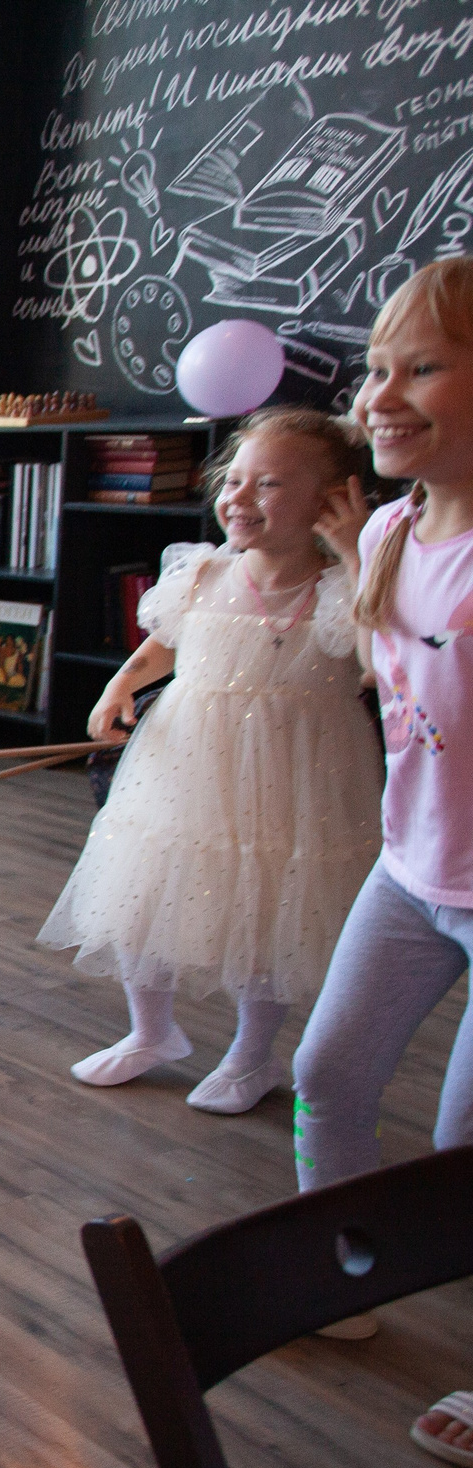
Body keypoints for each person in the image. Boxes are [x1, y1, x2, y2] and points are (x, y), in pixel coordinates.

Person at [38, 411, 380, 1113]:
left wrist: (356, 557)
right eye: (236, 480)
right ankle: (151, 1030)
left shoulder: (347, 588)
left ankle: (252, 1055)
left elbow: (379, 665)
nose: (240, 497)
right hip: (188, 761)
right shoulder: (202, 570)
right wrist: (119, 685)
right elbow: (161, 646)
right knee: (145, 896)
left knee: (271, 915)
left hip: (299, 772)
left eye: (270, 484)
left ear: (332, 499)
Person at [287, 259, 473, 1391]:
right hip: (410, 874)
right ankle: (344, 1269)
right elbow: (393, 688)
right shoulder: (392, 532)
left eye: (425, 368)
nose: (382, 395)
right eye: (374, 369)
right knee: (325, 1075)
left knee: (462, 1157)